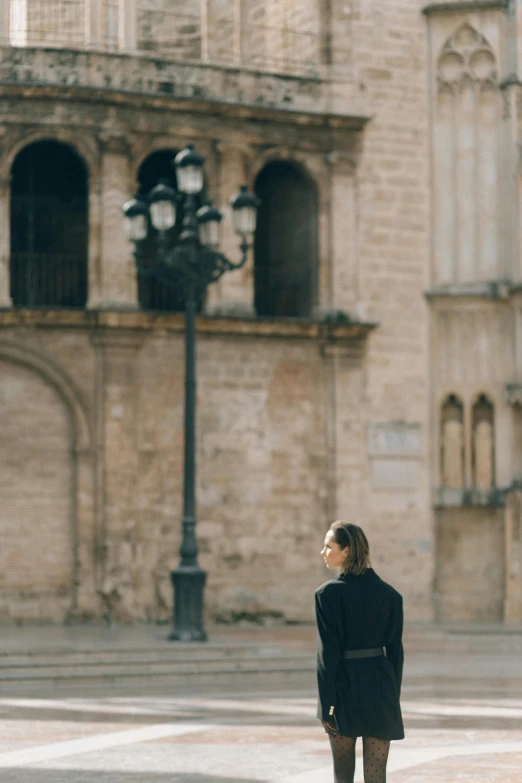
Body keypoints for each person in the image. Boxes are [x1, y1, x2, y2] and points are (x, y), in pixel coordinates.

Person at [316, 521, 404, 783]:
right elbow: (396, 652)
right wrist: (393, 695)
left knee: (342, 775)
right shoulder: (391, 595)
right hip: (380, 689)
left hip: (343, 690)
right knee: (377, 776)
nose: (323, 552)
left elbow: (327, 654)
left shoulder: (327, 594)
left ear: (346, 551)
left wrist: (325, 706)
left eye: (328, 546)